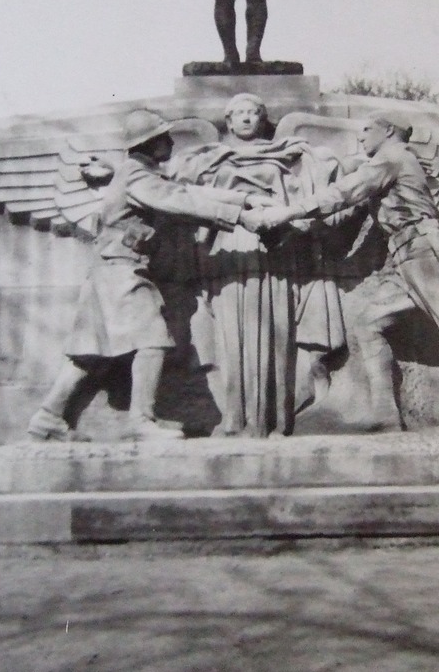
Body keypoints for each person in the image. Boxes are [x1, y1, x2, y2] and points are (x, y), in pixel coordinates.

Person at [255, 112, 439, 462]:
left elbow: (344, 192)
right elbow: (341, 213)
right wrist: (290, 222)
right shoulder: (386, 165)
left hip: (423, 255)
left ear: (388, 131)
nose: (362, 136)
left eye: (367, 130)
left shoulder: (393, 158)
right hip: (404, 258)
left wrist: (284, 213)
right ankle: (385, 417)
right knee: (369, 323)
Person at [27, 109, 268, 442]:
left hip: (116, 269)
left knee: (92, 353)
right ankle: (141, 421)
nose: (170, 143)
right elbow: (177, 199)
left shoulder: (144, 174)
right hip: (122, 270)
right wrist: (240, 216)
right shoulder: (137, 176)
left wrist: (245, 199)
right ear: (151, 144)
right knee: (153, 339)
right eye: (164, 138)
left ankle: (48, 417)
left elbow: (193, 193)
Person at [170, 93, 346, 438]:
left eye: (254, 112)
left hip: (275, 250)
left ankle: (279, 421)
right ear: (229, 121)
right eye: (240, 114)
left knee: (278, 337)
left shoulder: (285, 154)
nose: (247, 119)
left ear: (263, 119)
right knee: (230, 340)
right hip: (228, 249)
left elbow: (307, 194)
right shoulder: (211, 159)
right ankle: (234, 419)